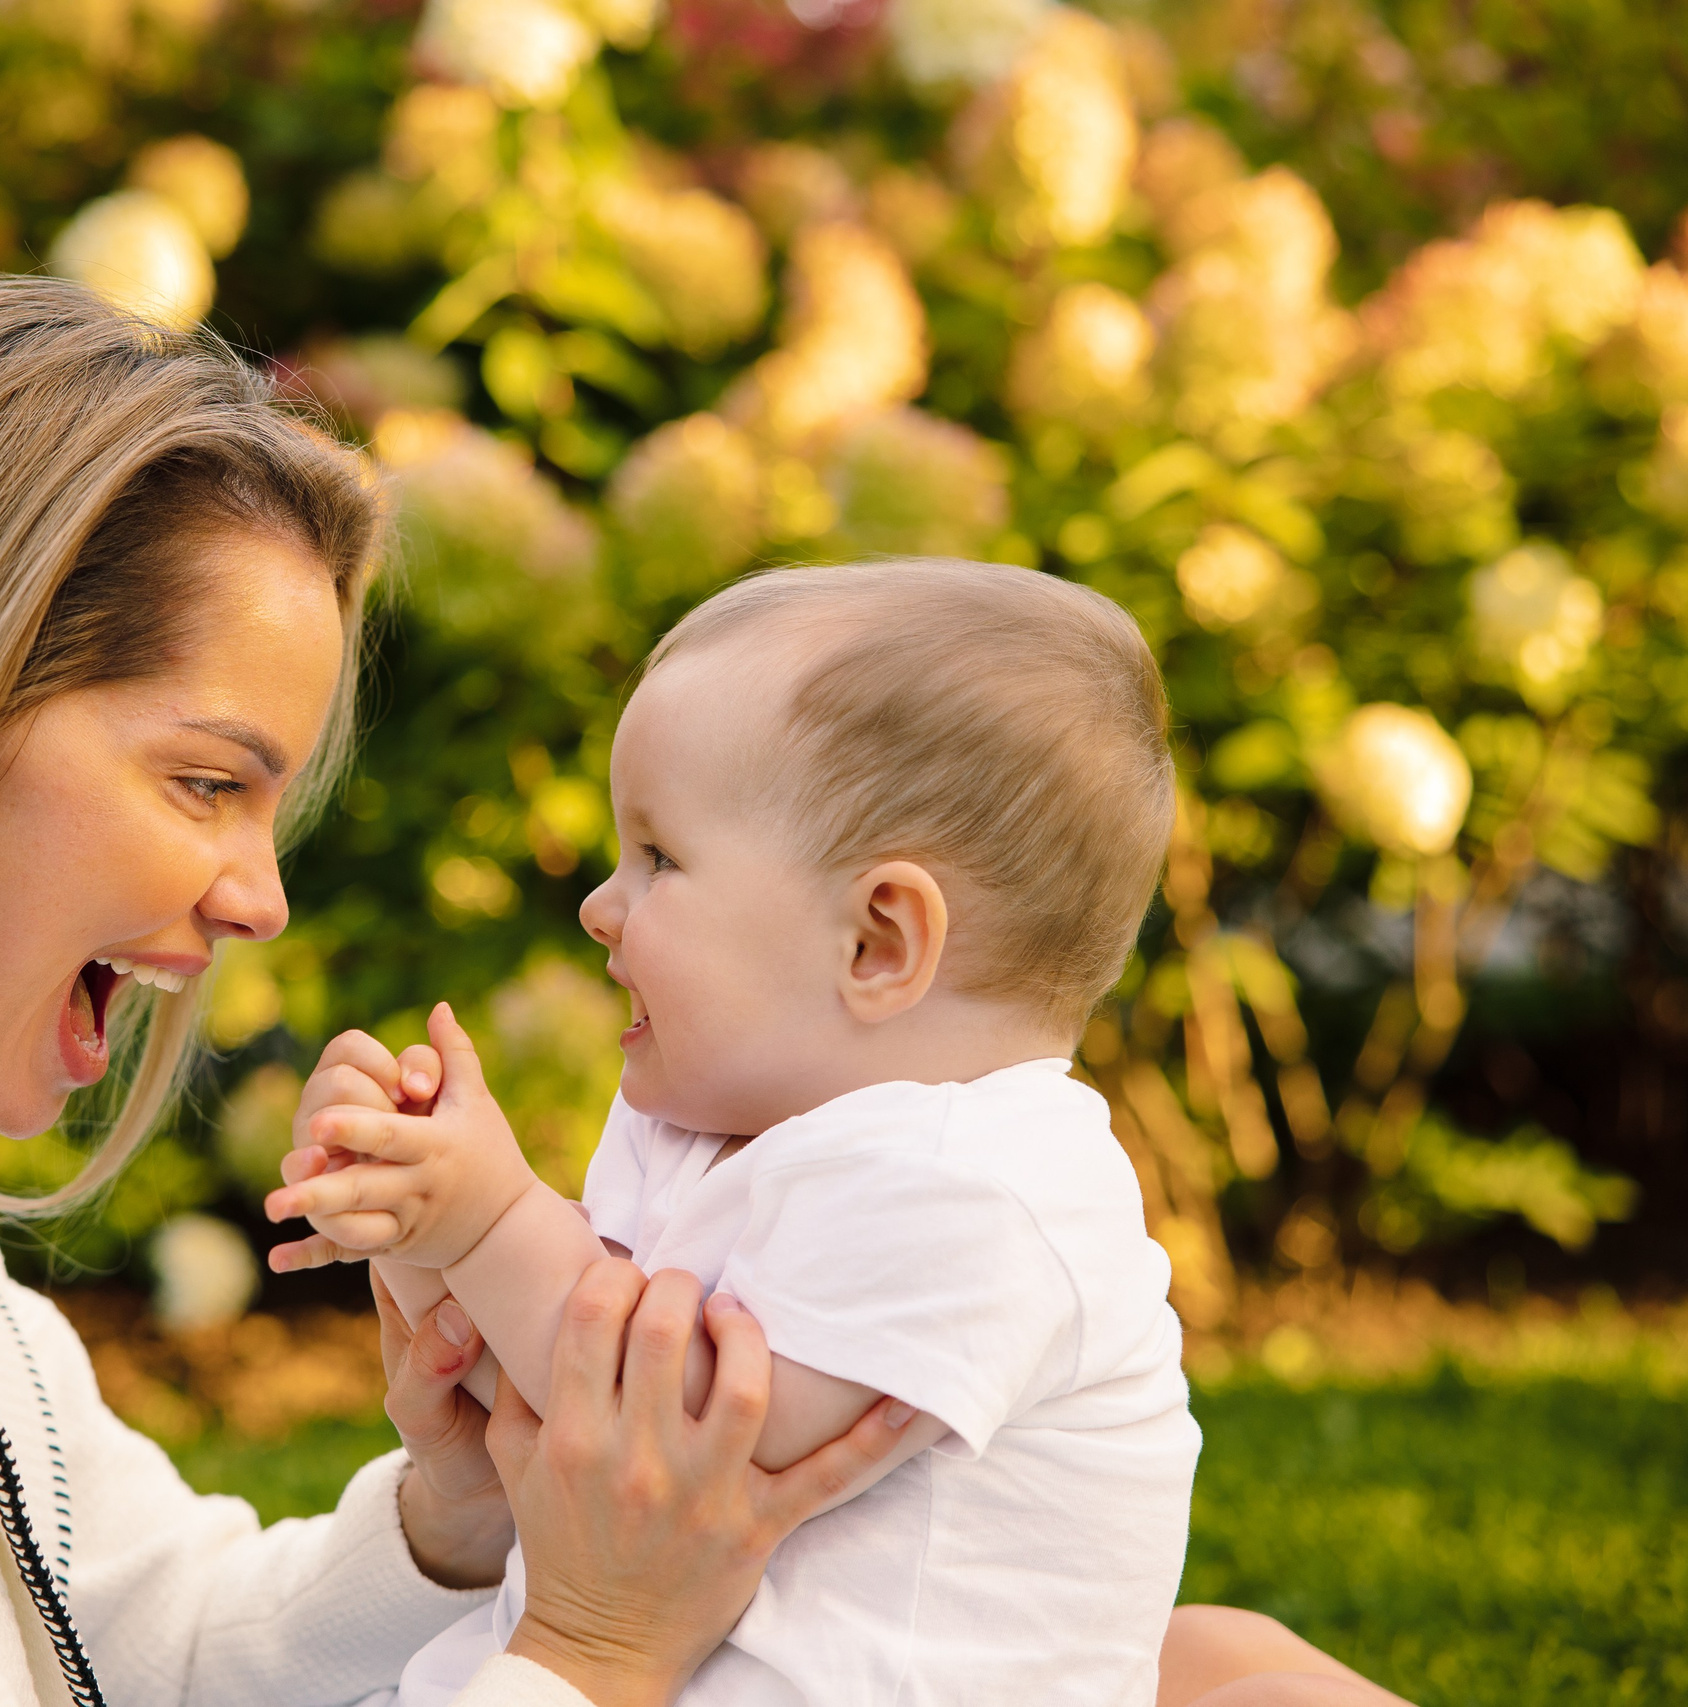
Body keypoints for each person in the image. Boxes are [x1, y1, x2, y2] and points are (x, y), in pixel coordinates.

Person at [0, 277, 1404, 1707]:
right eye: (205, 780)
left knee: (1201, 1666)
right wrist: (591, 1654)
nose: (250, 895)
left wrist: (464, 1512)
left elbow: (129, 1632)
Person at [267, 562, 1203, 1705]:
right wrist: (413, 1221)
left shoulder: (981, 1185)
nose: (598, 905)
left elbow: (696, 1436)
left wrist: (490, 1219)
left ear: (875, 943)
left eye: (659, 859)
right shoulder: (710, 1131)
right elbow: (548, 1361)